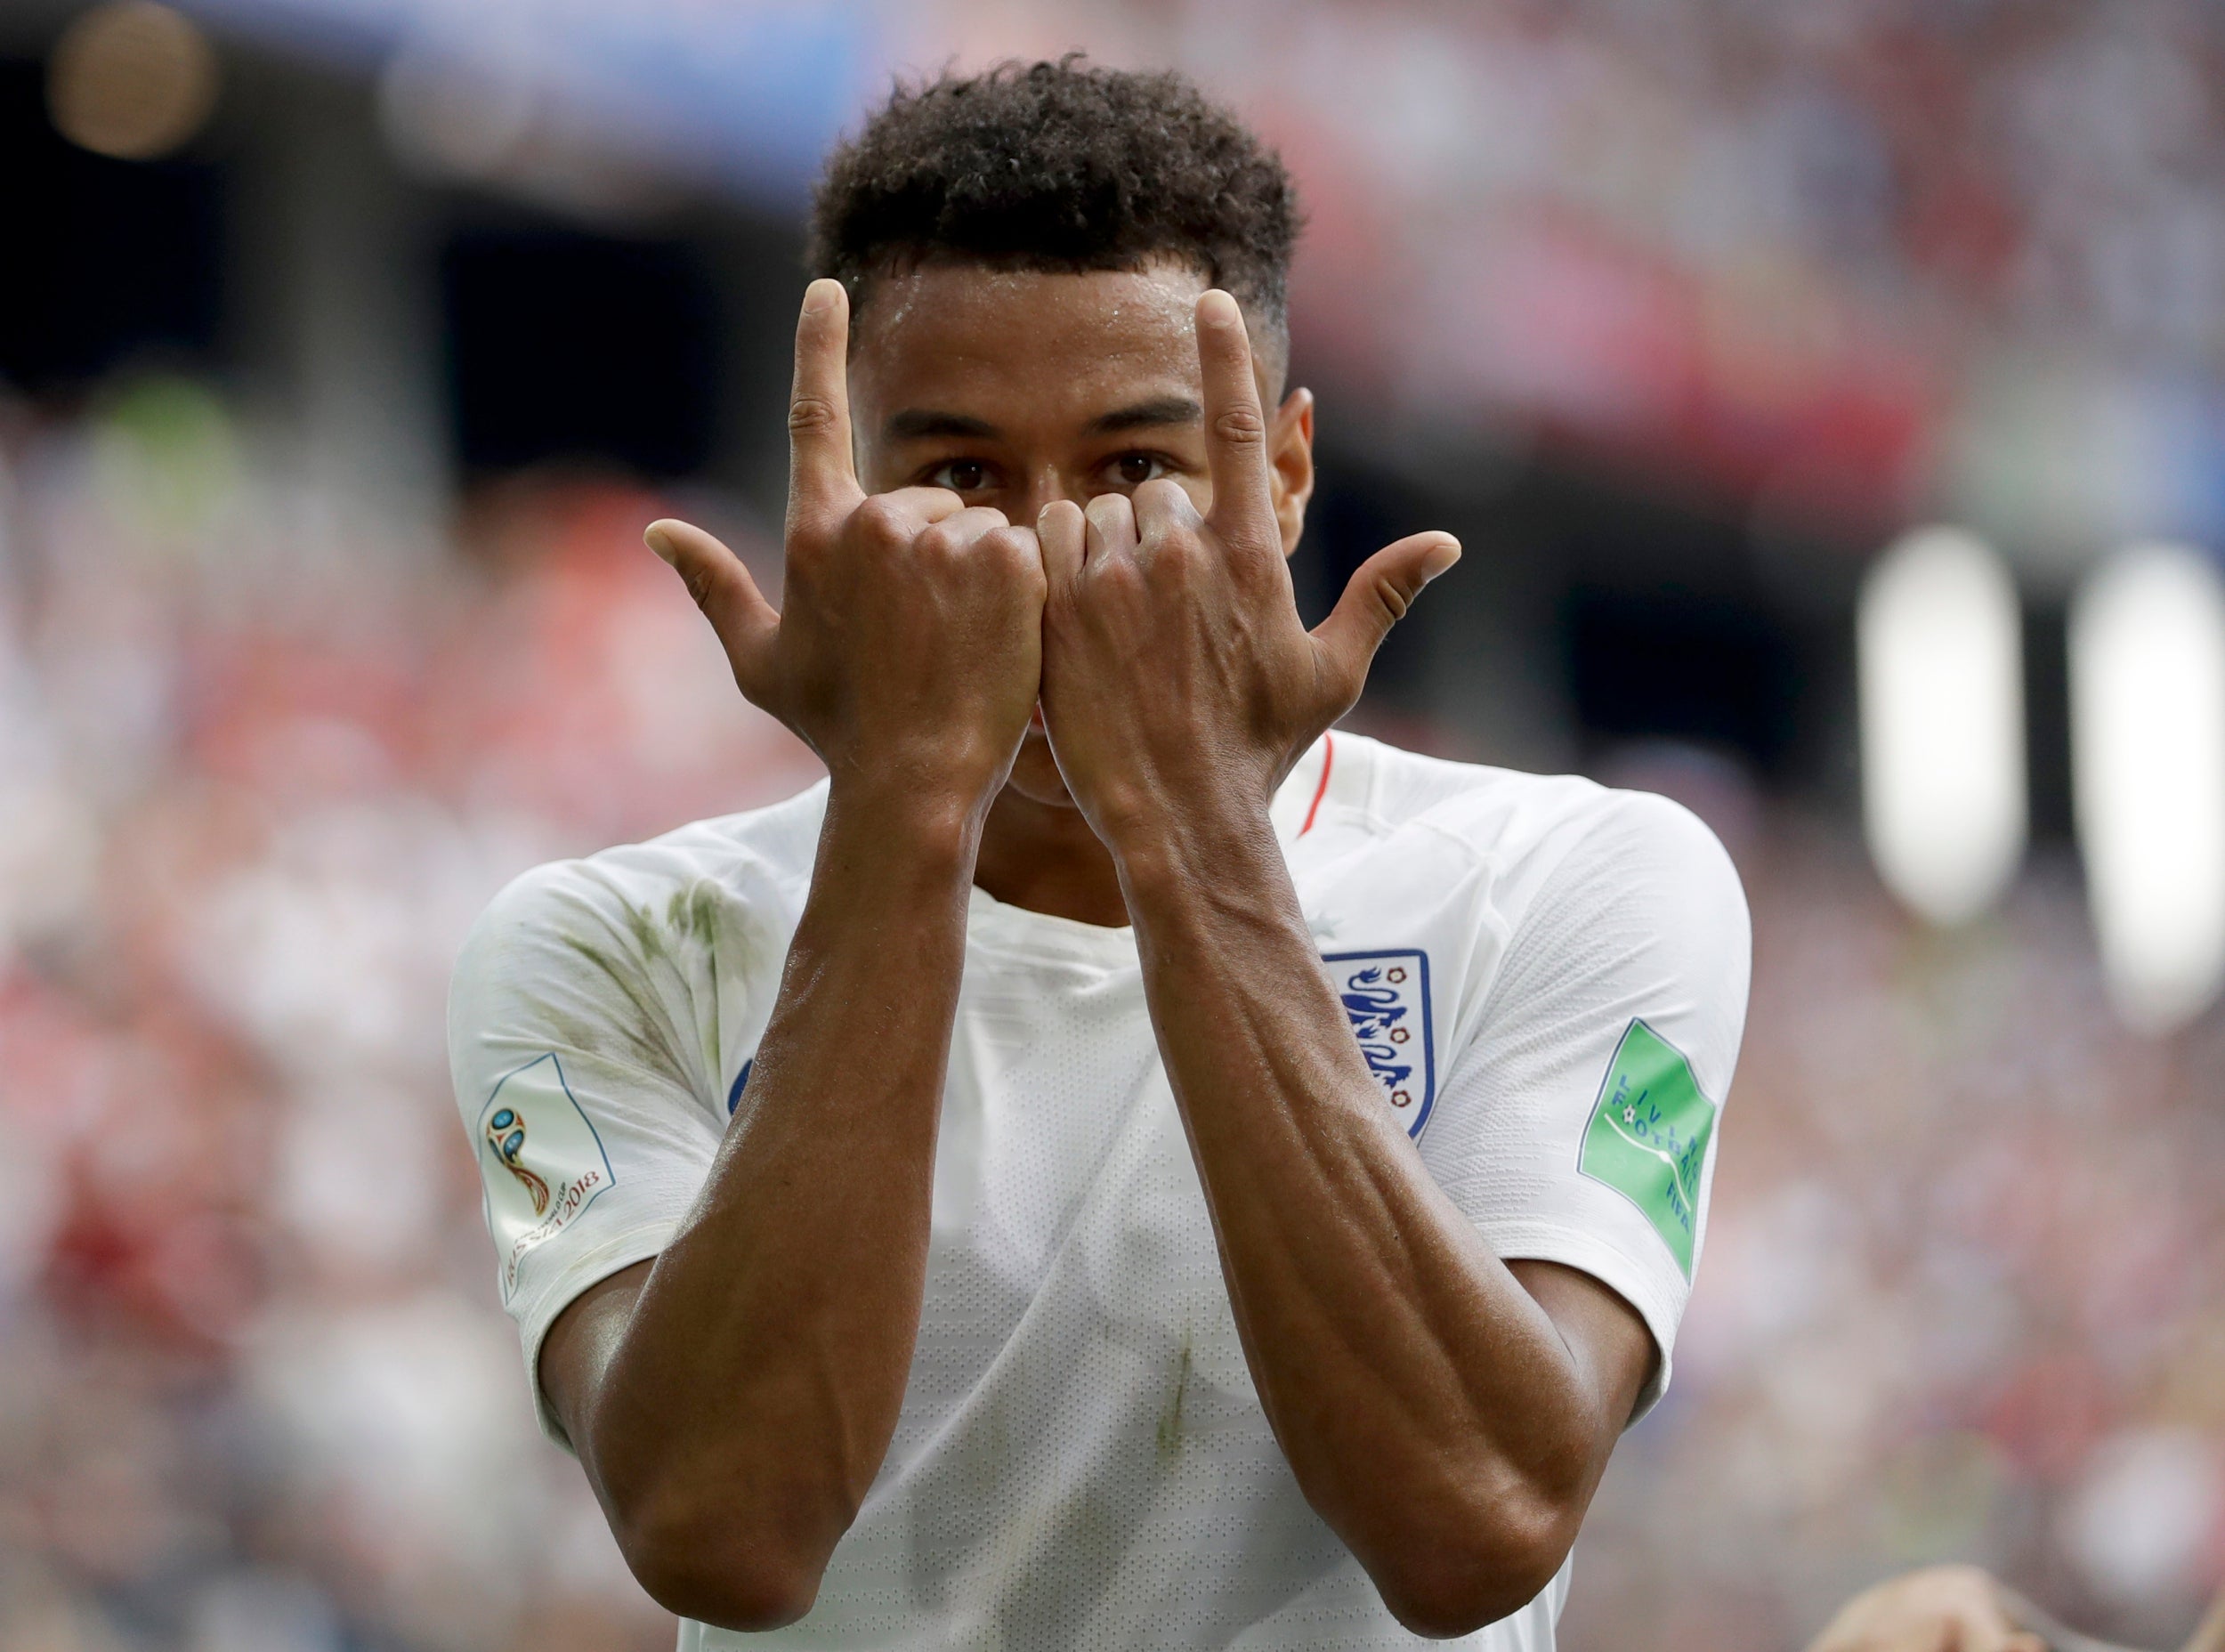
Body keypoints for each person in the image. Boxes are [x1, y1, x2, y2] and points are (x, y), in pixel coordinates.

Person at [447, 58, 1750, 1649]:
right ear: (845, 498)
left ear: (1280, 475)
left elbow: (1477, 1522)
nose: (1058, 557)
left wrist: (1193, 830)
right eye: (960, 478)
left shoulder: (1586, 877)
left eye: (1140, 469)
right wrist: (908, 812)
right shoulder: (601, 942)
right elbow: (723, 1534)